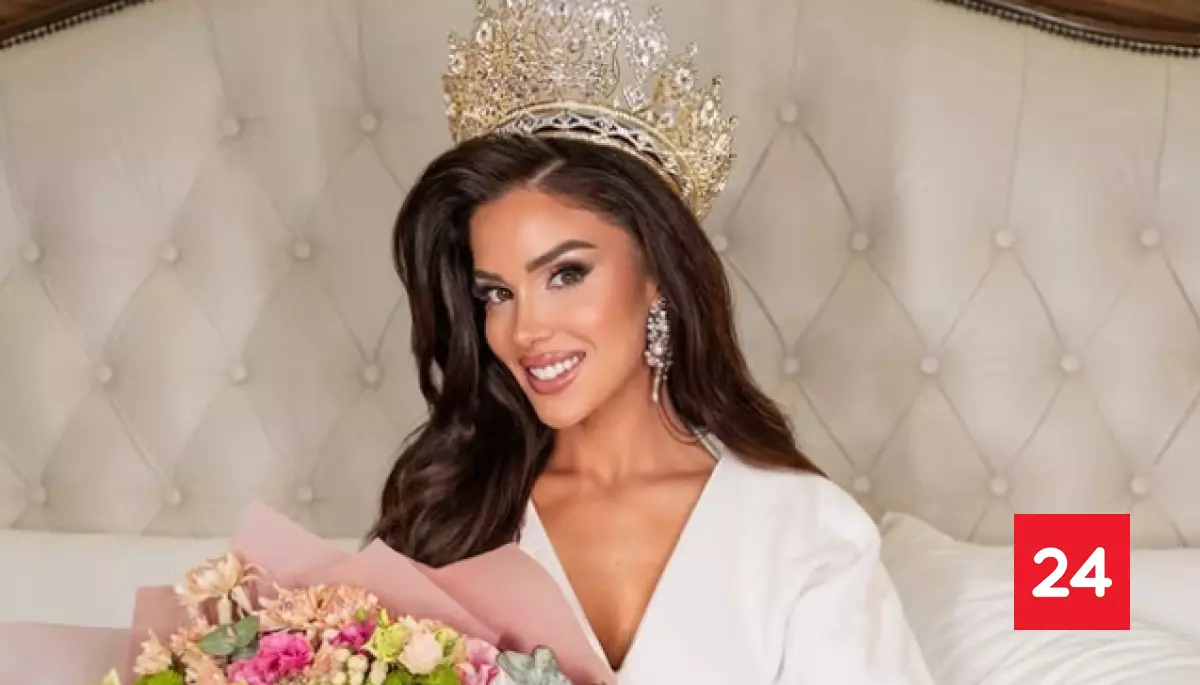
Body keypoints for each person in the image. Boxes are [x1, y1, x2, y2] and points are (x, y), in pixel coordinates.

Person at [370, 2, 934, 683]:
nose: (524, 330)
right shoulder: (452, 512)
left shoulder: (802, 530)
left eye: (566, 274)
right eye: (496, 293)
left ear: (658, 275)